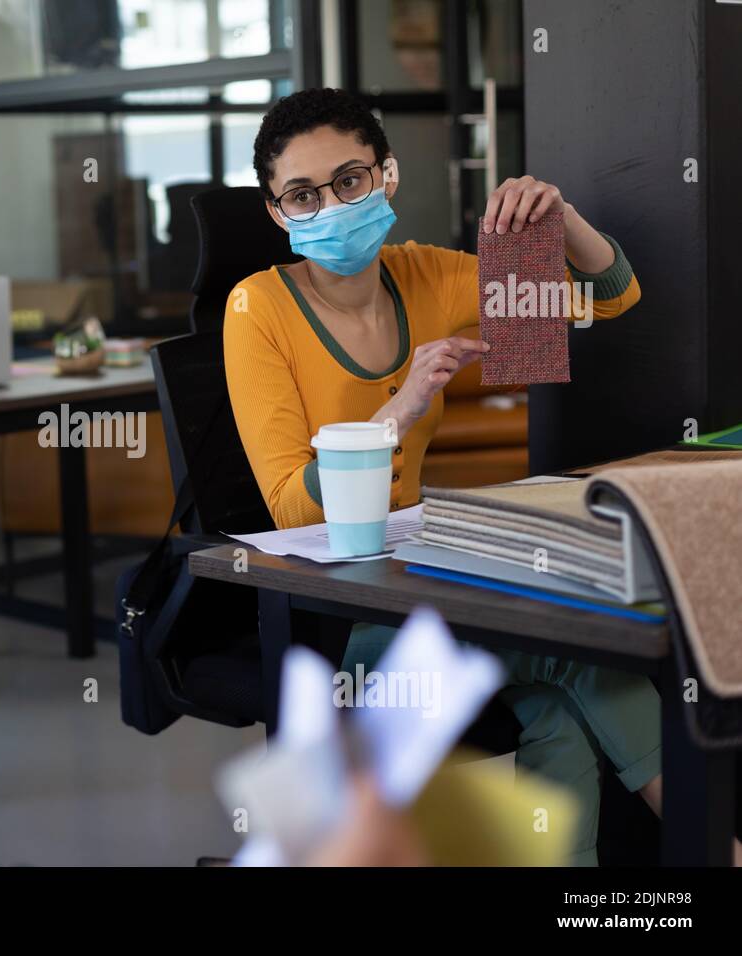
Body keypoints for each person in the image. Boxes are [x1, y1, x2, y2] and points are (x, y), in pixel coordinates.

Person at [224, 88, 681, 865]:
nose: (330, 205)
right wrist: (396, 412)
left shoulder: (428, 277)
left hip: (424, 577)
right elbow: (292, 502)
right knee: (575, 655)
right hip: (337, 609)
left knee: (561, 711)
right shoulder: (255, 309)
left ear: (387, 175)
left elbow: (612, 297)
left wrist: (558, 217)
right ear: (277, 212)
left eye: (349, 180)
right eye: (302, 194)